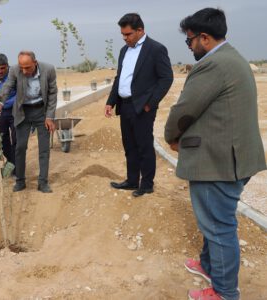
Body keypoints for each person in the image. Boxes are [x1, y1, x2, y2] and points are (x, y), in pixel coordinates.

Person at [164, 8, 266, 300]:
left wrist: (171, 136)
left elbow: (185, 109)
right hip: (234, 156)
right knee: (214, 219)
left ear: (205, 38)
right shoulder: (234, 58)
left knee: (219, 227)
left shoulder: (213, 65)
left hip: (217, 161)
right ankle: (209, 266)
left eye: (190, 41)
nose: (189, 46)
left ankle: (223, 292)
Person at [105, 13, 173, 197]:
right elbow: (120, 78)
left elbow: (166, 78)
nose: (125, 38)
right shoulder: (123, 51)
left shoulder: (156, 49)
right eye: (123, 35)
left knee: (144, 145)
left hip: (143, 107)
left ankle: (147, 184)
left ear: (140, 30)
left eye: (128, 34)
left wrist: (150, 104)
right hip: (125, 105)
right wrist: (111, 101)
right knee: (130, 146)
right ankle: (132, 180)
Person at [0, 51, 57, 193]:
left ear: (35, 63)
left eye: (27, 68)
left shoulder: (48, 69)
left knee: (44, 149)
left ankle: (43, 182)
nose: (24, 71)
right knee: (19, 147)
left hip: (41, 112)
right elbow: (7, 87)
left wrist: (50, 117)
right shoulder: (14, 70)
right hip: (22, 112)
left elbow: (52, 93)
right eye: (21, 67)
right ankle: (20, 181)